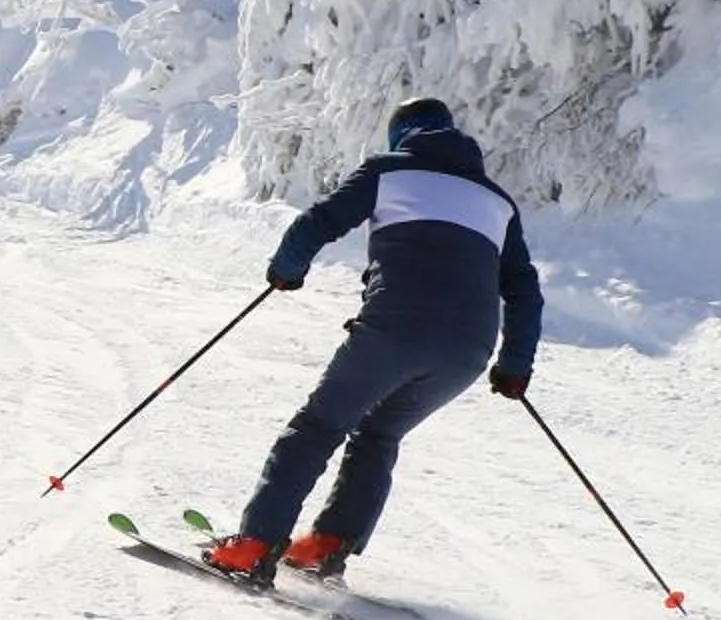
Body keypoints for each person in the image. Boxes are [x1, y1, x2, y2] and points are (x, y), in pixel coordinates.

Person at [204, 97, 544, 587]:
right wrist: (515, 366)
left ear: (401, 135)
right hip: (467, 352)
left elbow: (320, 220)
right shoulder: (498, 202)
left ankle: (254, 547)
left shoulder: (389, 170)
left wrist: (287, 269)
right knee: (379, 435)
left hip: (395, 330)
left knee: (317, 427)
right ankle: (326, 546)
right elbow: (524, 289)